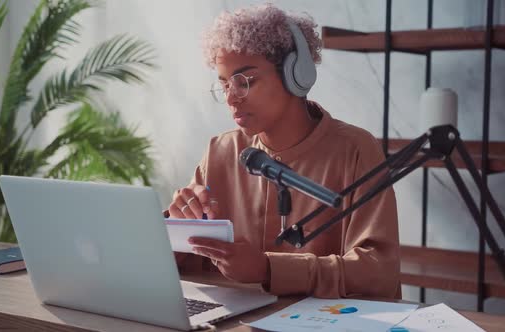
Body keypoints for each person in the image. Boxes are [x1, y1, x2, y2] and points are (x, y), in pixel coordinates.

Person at [168, 4, 400, 299]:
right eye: (225, 84)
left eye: (244, 82)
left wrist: (269, 269)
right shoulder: (220, 151)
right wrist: (176, 227)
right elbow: (187, 262)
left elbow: (378, 272)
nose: (230, 98)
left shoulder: (355, 150)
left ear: (296, 73)